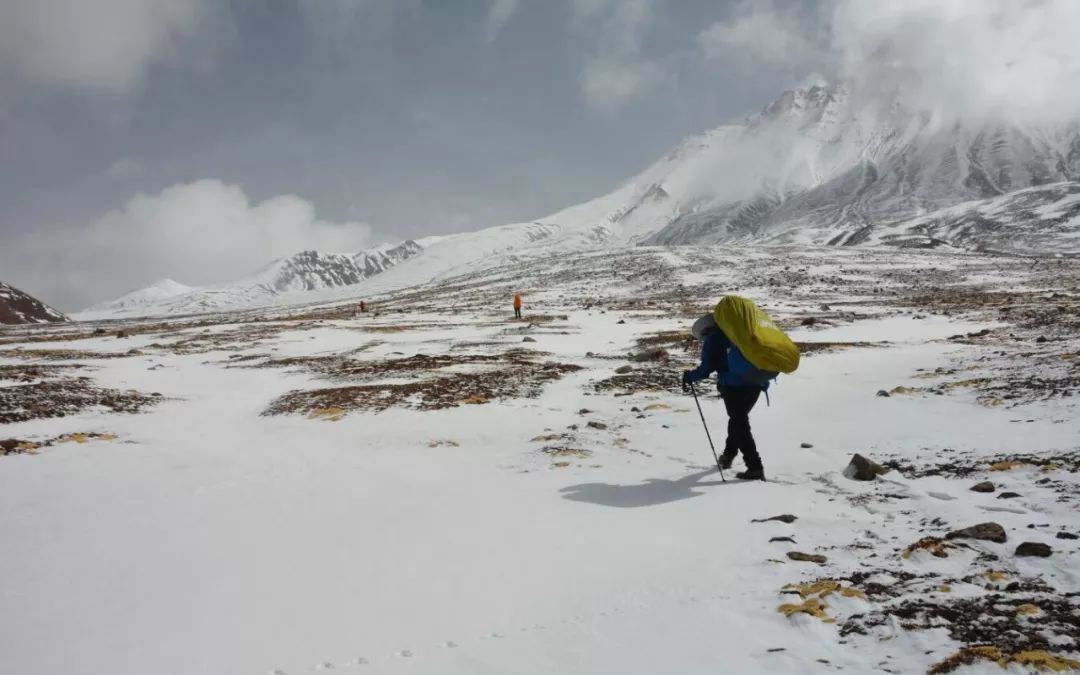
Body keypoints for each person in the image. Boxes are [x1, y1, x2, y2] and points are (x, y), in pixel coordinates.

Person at [681, 313, 767, 480]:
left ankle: (754, 467)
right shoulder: (738, 333)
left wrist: (689, 377)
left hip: (734, 388)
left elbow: (706, 369)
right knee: (738, 420)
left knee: (740, 424)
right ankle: (728, 455)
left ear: (704, 329)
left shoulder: (713, 339)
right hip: (756, 382)